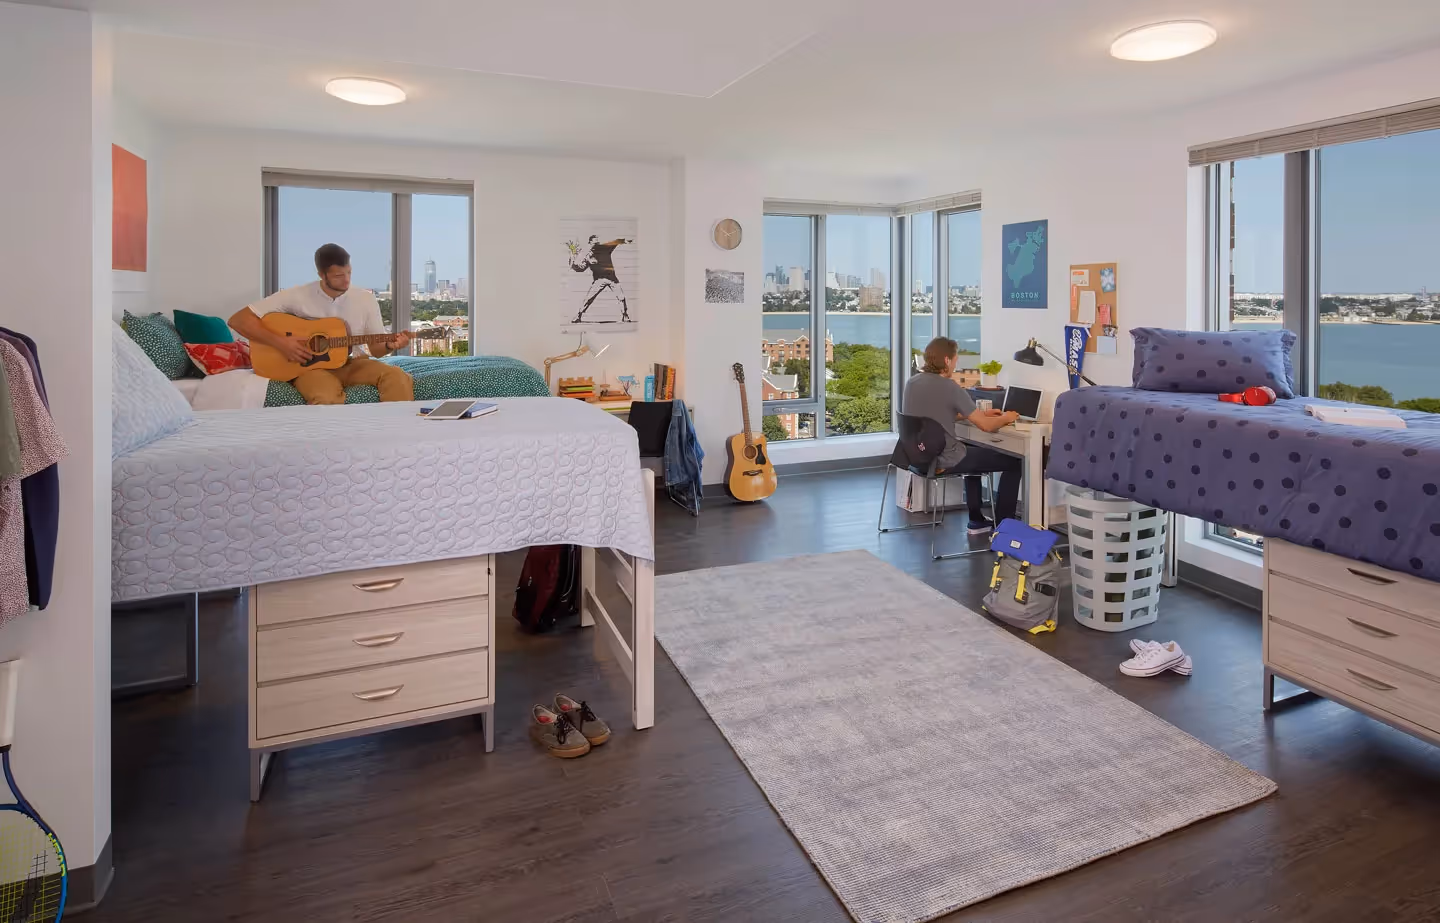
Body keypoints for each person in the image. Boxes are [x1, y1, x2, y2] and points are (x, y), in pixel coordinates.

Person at [229, 243, 414, 405]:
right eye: (338, 275)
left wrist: (390, 345)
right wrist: (282, 343)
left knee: (396, 377)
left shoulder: (365, 299)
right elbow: (238, 320)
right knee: (325, 398)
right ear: (321, 275)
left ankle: (400, 436)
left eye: (349, 272)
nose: (346, 280)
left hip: (351, 363)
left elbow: (376, 350)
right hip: (310, 369)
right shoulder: (296, 295)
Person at [901, 336, 1022, 532]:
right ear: (947, 360)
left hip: (918, 458)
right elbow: (986, 427)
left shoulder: (912, 382)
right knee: (1015, 463)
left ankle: (976, 520)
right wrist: (1007, 417)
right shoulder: (950, 387)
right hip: (944, 460)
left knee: (973, 449)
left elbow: (935, 414)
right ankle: (1004, 527)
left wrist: (979, 414)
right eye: (956, 360)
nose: (956, 365)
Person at [568, 235, 633, 323]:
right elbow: (581, 268)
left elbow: (616, 241)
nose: (596, 244)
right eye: (594, 243)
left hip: (612, 279)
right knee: (588, 299)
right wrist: (572, 265)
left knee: (621, 297)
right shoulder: (588, 257)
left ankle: (625, 315)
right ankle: (578, 315)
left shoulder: (604, 248)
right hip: (599, 280)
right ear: (590, 243)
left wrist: (625, 241)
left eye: (597, 242)